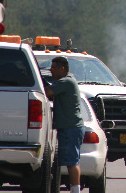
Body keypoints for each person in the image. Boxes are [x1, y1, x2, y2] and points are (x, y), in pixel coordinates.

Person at [45, 56, 85, 193]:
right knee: (72, 161)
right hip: (71, 127)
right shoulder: (66, 81)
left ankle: (75, 190)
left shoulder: (65, 82)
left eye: (54, 68)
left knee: (72, 162)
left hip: (71, 128)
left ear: (63, 69)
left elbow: (47, 92)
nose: (51, 71)